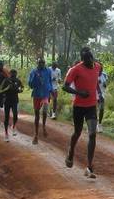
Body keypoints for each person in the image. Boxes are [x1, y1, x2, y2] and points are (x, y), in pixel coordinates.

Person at [62, 47, 103, 176]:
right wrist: (79, 92)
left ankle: (90, 166)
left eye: (92, 59)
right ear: (82, 61)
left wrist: (99, 93)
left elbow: (95, 80)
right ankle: (71, 152)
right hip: (79, 106)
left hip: (91, 106)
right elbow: (65, 86)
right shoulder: (75, 70)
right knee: (77, 132)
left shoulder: (97, 67)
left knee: (92, 134)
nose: (90, 62)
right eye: (87, 61)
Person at [27, 58, 54, 144]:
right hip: (37, 95)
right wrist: (35, 77)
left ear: (45, 63)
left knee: (45, 112)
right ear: (37, 63)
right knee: (37, 114)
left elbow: (49, 81)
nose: (41, 64)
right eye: (40, 63)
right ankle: (36, 134)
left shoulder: (48, 71)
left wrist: (52, 90)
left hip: (46, 94)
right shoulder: (33, 71)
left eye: (43, 62)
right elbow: (30, 85)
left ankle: (44, 127)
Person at [0, 68, 23, 141]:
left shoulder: (18, 81)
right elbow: (0, 91)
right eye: (12, 74)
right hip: (7, 101)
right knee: (6, 117)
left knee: (15, 115)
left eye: (15, 74)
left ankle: (14, 126)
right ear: (10, 74)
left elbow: (22, 87)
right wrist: (7, 88)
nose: (13, 76)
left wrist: (20, 90)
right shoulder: (6, 81)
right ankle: (6, 134)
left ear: (16, 75)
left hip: (15, 100)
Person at [96, 69, 109, 133]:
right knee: (94, 109)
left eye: (101, 68)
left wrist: (105, 85)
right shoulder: (94, 73)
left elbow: (106, 84)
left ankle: (99, 124)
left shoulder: (104, 74)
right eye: (99, 68)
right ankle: (93, 124)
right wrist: (99, 93)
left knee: (101, 109)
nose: (100, 70)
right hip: (94, 93)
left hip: (102, 94)